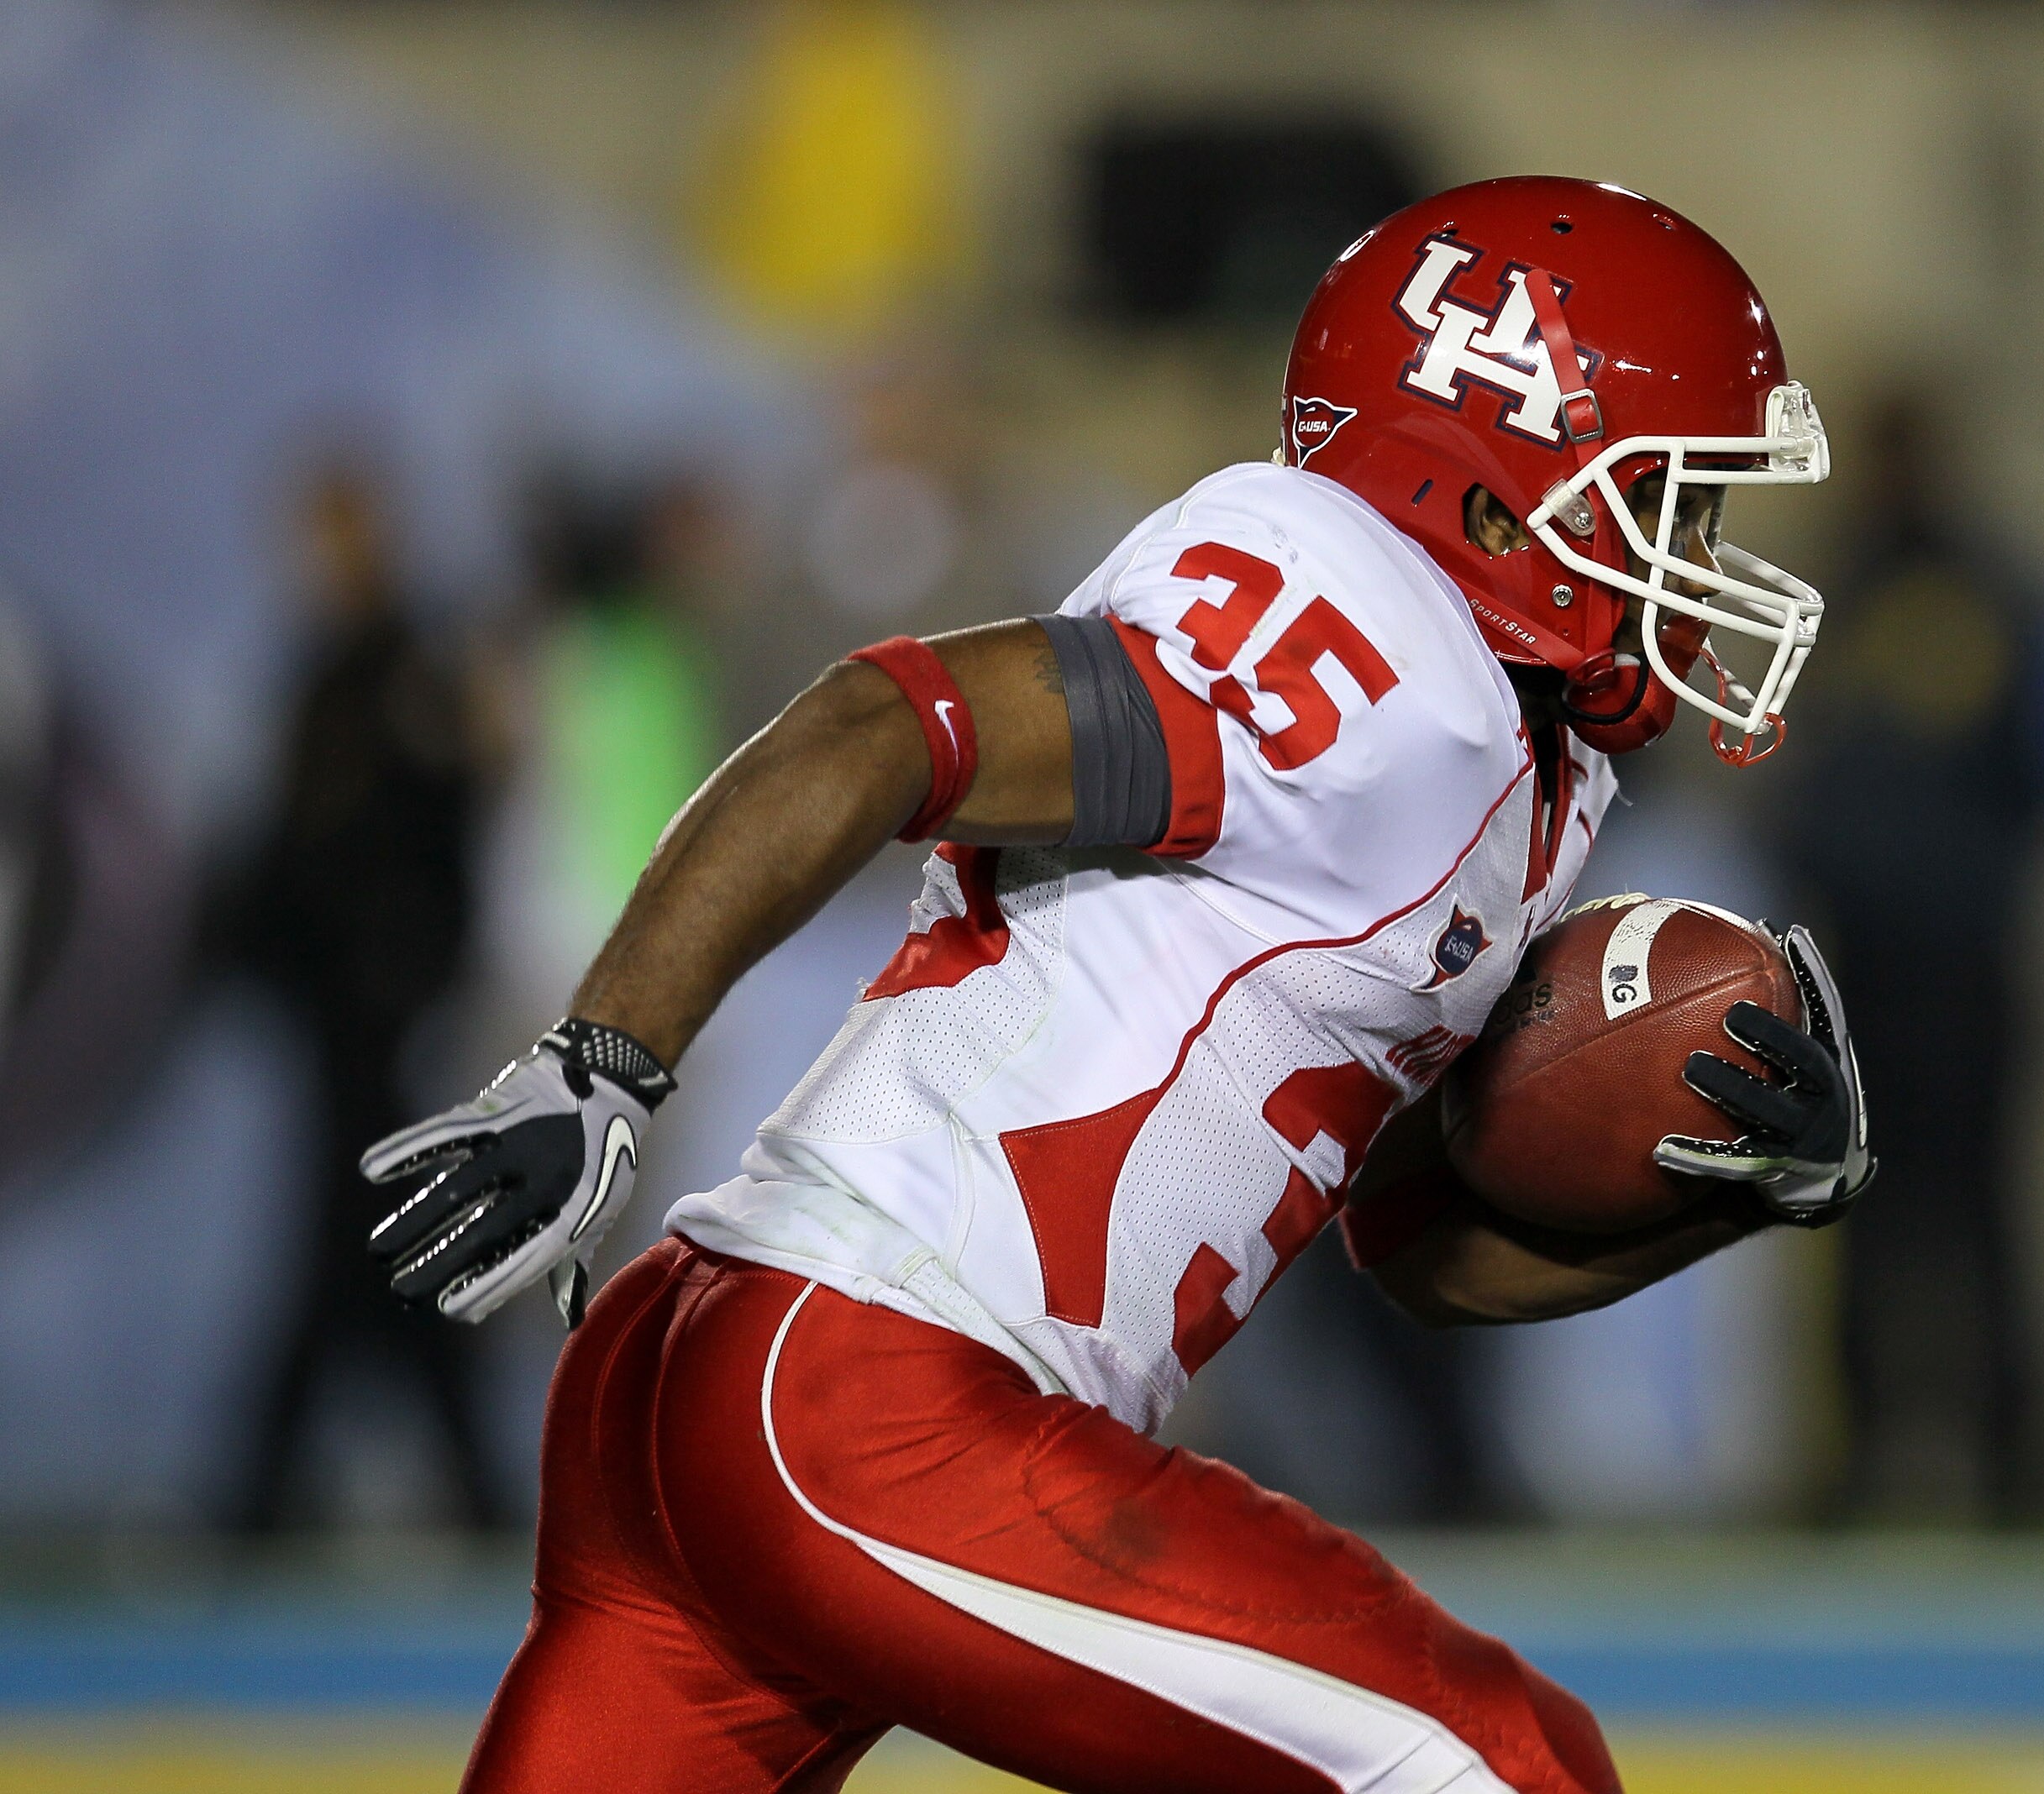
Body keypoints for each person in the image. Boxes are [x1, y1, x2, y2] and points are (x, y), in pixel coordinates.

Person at [356, 179, 1873, 1791]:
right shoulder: (1372, 656)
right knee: (1493, 1764)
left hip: (720, 1371)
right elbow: (883, 725)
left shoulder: (1503, 757)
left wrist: (1737, 1186)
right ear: (1499, 498)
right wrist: (606, 1056)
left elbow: (1414, 1246)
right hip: (867, 1382)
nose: (1700, 562)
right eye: (1672, 504)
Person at [1770, 392, 2044, 1522]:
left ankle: (2012, 1450)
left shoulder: (1996, 590)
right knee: (1848, 1209)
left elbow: (2039, 767)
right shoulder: (1827, 590)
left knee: (1985, 1211)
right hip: (1858, 959)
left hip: (1968, 955)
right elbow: (1794, 769)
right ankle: (1859, 1448)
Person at [229, 459, 499, 1532]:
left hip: (386, 1009)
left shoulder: (411, 669)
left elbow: (443, 831)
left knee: (361, 1237)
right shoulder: (326, 671)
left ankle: (261, 1490)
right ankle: (459, 1483)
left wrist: (415, 972)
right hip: (336, 1011)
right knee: (380, 1239)